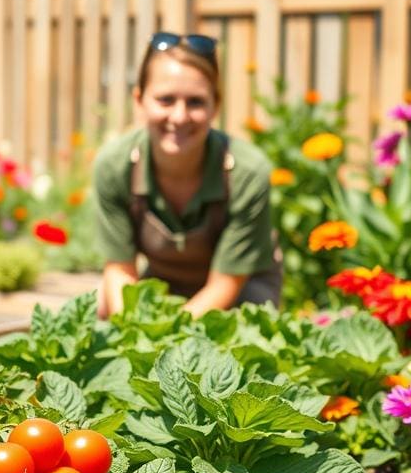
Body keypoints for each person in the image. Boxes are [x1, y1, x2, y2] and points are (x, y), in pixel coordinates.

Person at [93, 32, 281, 319]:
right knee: (102, 307)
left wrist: (166, 335)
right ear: (139, 100)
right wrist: (130, 331)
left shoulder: (246, 172)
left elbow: (226, 283)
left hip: (241, 286)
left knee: (244, 333)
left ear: (215, 105)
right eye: (165, 100)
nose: (179, 117)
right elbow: (119, 270)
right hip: (161, 281)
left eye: (195, 102)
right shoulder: (115, 165)